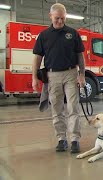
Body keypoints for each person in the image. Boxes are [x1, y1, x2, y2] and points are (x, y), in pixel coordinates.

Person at [32, 3, 86, 153]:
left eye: (63, 18)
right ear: (50, 16)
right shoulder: (44, 36)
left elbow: (80, 56)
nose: (60, 21)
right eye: (57, 18)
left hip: (70, 74)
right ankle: (61, 139)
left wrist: (81, 74)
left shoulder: (73, 33)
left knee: (73, 107)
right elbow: (37, 58)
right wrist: (34, 77)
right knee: (57, 109)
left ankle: (74, 139)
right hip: (52, 75)